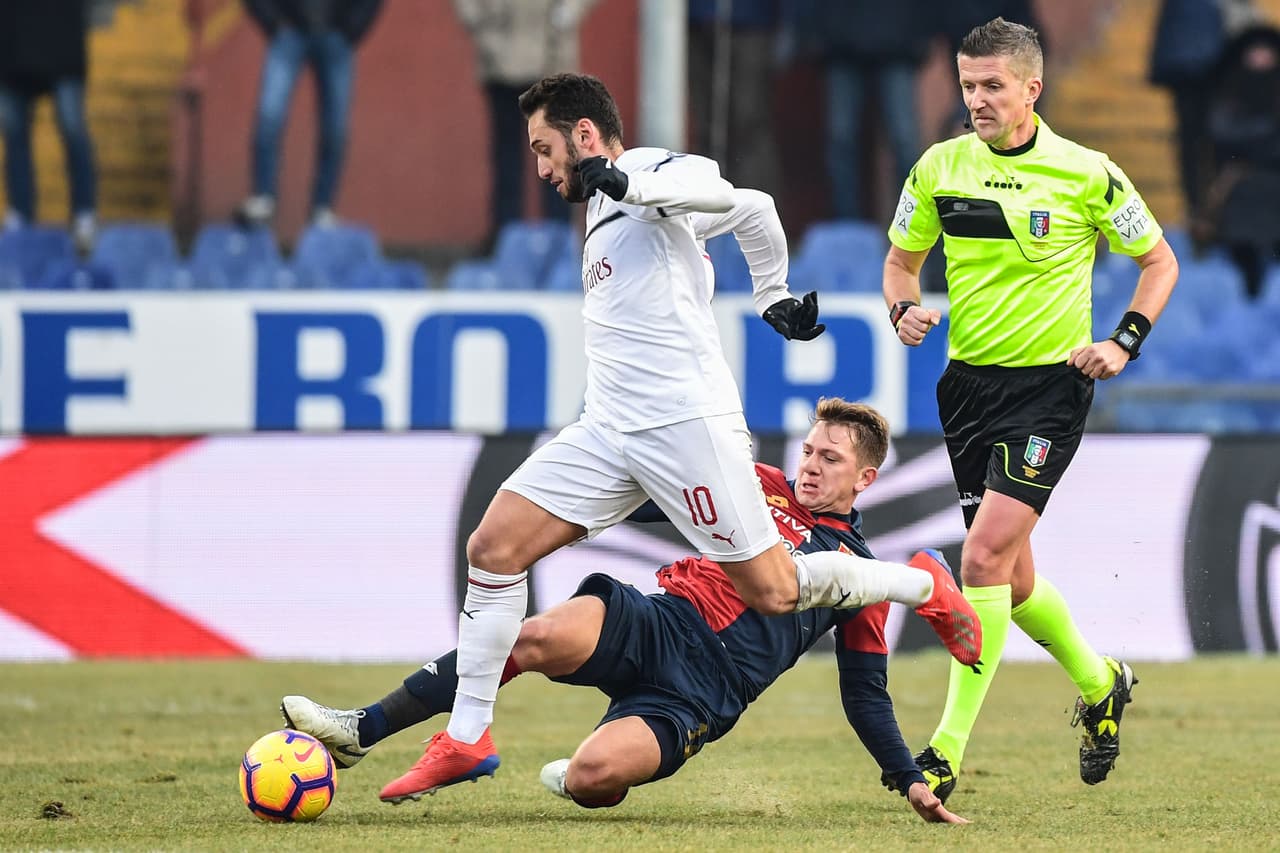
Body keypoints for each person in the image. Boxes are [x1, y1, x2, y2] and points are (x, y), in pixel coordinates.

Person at [382, 72, 981, 800]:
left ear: (585, 135)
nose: (540, 168)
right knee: (492, 546)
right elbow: (758, 213)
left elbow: (722, 188)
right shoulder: (608, 206)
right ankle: (467, 734)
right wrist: (773, 294)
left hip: (683, 422)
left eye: (545, 149)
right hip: (609, 426)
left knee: (774, 588)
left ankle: (922, 582)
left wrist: (630, 182)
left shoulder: (639, 173)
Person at [281, 398, 970, 823]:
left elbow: (863, 693)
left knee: (592, 779)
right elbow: (653, 499)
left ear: (867, 478)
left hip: (708, 692)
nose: (812, 463)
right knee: (534, 636)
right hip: (660, 619)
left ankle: (575, 767)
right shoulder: (753, 486)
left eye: (831, 457)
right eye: (810, 448)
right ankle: (361, 726)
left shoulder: (862, 576)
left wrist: (906, 777)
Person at [881, 18, 1179, 800]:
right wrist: (902, 308)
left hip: (1050, 391)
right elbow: (900, 262)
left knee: (978, 560)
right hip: (968, 390)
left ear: (1031, 89)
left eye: (991, 86)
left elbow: (1158, 260)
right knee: (1010, 580)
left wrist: (1122, 341)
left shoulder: (1087, 173)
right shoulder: (940, 167)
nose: (975, 99)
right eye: (967, 84)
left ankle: (944, 750)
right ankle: (1100, 679)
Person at [451, 1, 597, 252]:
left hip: (552, 57)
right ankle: (505, 239)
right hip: (501, 53)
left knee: (557, 155)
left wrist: (568, 14)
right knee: (506, 154)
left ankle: (558, 241)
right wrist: (484, 31)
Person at [233, 0, 385, 230]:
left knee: (335, 127)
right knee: (269, 115)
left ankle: (322, 208)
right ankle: (263, 197)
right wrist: (273, 23)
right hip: (290, 33)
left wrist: (352, 29)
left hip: (336, 36)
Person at [0, 0, 98, 253]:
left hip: (62, 41)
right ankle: (21, 214)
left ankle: (84, 214)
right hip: (11, 46)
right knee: (14, 134)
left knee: (73, 130)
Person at [1197, 22, 1280, 298]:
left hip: (1271, 176)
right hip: (1240, 177)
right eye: (1256, 51)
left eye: (1267, 52)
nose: (1261, 58)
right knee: (1245, 244)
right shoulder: (1230, 87)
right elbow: (1224, 129)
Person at [686, 0, 783, 205]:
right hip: (695, 20)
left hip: (750, 20)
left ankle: (754, 215)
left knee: (749, 123)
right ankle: (706, 214)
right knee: (707, 127)